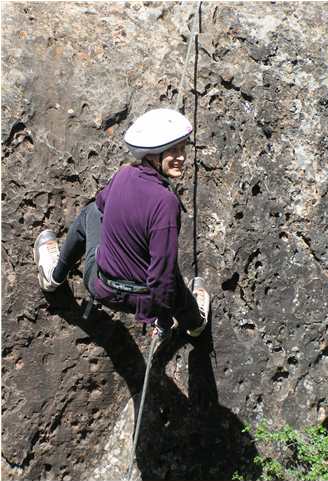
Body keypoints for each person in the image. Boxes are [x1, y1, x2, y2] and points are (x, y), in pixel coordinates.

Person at [33, 108, 210, 340]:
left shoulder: (124, 174)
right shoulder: (166, 203)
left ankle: (54, 277)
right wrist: (164, 321)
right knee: (171, 277)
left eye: (183, 148)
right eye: (173, 151)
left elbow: (101, 204)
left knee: (90, 213)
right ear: (153, 154)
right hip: (143, 300)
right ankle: (195, 324)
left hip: (101, 286)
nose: (182, 157)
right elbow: (160, 277)